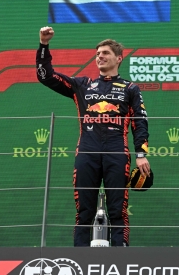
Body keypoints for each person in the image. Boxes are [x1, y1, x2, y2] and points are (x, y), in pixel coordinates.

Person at [36, 26, 151, 246]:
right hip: (86, 152)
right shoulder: (82, 85)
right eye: (97, 54)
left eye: (105, 53)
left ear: (119, 57)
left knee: (118, 212)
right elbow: (45, 76)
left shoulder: (130, 88)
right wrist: (44, 45)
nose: (100, 56)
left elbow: (140, 121)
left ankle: (121, 261)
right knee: (84, 213)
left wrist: (141, 153)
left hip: (117, 153)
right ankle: (80, 262)